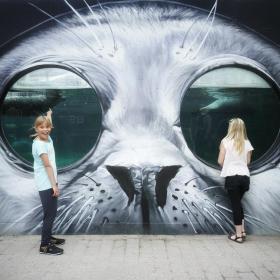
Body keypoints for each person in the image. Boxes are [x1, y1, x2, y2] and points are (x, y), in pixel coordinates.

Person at [32, 109, 65, 255]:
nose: (45, 129)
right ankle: (44, 246)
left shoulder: (46, 138)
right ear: (36, 128)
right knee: (49, 215)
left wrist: (49, 116)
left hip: (50, 181)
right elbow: (47, 166)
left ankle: (48, 237)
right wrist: (54, 186)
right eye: (41, 127)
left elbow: (48, 125)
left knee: (51, 212)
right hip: (46, 183)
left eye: (47, 127)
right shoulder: (39, 145)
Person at [218, 118, 254, 243]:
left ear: (231, 128)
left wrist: (229, 166)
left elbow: (220, 161)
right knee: (238, 204)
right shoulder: (247, 142)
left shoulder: (225, 141)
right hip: (245, 178)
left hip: (232, 178)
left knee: (236, 206)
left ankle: (238, 236)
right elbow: (248, 161)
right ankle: (242, 231)